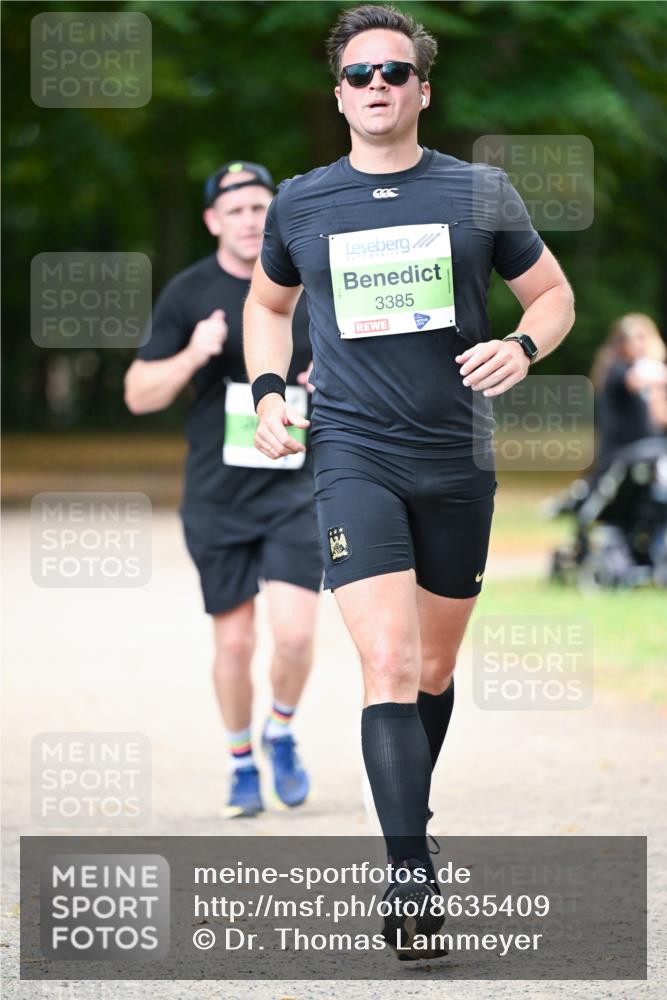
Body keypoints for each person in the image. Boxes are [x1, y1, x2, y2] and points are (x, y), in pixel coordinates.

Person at [243, 4, 575, 959]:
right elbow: (267, 306)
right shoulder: (302, 203)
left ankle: (409, 823)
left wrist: (521, 347)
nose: (376, 85)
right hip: (352, 450)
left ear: (422, 91)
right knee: (386, 662)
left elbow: (552, 296)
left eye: (394, 71)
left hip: (456, 456)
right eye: (359, 74)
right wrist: (268, 390)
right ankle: (408, 876)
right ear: (338, 95)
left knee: (430, 670)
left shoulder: (478, 192)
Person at [124, 161, 323, 819]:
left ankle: (281, 730)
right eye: (234, 210)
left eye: (259, 208)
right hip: (218, 494)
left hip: (296, 486)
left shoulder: (305, 283)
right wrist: (195, 351)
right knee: (235, 643)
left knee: (294, 636)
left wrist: (326, 378)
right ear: (212, 220)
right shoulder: (189, 293)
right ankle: (241, 763)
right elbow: (138, 394)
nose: (248, 220)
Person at [591, 312, 667, 471]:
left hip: (647, 451)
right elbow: (635, 381)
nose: (642, 343)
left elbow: (660, 417)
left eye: (645, 337)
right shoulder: (616, 369)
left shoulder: (648, 370)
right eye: (638, 337)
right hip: (619, 454)